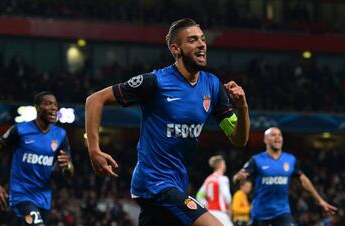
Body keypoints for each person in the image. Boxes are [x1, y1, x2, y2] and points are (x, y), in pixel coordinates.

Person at [85, 18, 250, 226]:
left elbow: (239, 139)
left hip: (176, 184)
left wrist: (242, 108)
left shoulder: (213, 86)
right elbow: (95, 100)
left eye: (202, 39)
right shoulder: (155, 82)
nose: (201, 44)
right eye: (192, 40)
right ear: (176, 49)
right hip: (153, 184)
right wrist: (94, 150)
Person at [0, 91, 74, 226]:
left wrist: (67, 166)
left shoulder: (60, 134)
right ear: (37, 108)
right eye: (48, 104)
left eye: (55, 104)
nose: (53, 107)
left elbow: (68, 172)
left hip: (44, 198)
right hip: (21, 195)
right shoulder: (20, 130)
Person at [233, 127, 337, 226]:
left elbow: (303, 180)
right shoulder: (257, 160)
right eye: (273, 135)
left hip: (282, 211)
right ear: (265, 140)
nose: (277, 137)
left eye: (279, 135)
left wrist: (320, 200)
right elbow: (237, 178)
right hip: (260, 212)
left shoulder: (290, 159)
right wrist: (238, 177)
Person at [196, 155, 233, 226]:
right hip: (220, 212)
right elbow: (226, 196)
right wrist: (230, 209)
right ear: (221, 165)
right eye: (224, 164)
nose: (225, 166)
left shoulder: (208, 179)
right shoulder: (223, 179)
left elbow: (199, 195)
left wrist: (205, 204)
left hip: (210, 213)